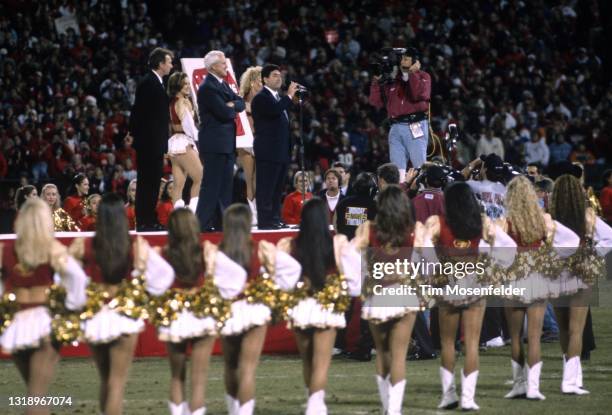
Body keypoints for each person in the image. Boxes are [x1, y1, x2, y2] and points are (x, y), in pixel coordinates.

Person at [69, 193, 174, 415]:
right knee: (116, 383)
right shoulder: (135, 246)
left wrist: (81, 299)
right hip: (124, 316)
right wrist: (141, 287)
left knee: (106, 380)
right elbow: (165, 275)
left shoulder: (84, 244)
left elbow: (67, 278)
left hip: (95, 317)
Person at [423, 182, 517, 411]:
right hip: (475, 285)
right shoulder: (483, 223)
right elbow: (510, 248)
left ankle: (448, 395)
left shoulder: (437, 223)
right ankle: (468, 398)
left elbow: (423, 251)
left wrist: (436, 273)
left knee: (447, 343)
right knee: (472, 344)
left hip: (448, 288)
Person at [153, 208, 246, 415]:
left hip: (174, 316)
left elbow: (149, 282)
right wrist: (219, 292)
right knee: (199, 380)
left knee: (177, 376)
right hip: (202, 316)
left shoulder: (163, 252)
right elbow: (237, 276)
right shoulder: (206, 250)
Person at [0, 198, 87, 412]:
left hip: (17, 326)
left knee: (34, 393)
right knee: (36, 396)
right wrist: (72, 305)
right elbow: (77, 278)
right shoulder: (51, 248)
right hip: (44, 325)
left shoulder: (5, 248)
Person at [214, 204, 301, 415]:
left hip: (228, 313)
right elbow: (293, 269)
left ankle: (234, 410)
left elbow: (213, 283)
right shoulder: (260, 248)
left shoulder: (218, 252)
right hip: (254, 311)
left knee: (230, 366)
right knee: (248, 370)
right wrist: (273, 286)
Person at [344, 186, 425, 414]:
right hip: (404, 294)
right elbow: (431, 261)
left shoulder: (368, 229)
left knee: (382, 353)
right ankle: (394, 410)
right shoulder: (413, 230)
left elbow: (348, 255)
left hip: (377, 296)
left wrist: (363, 278)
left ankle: (386, 406)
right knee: (399, 355)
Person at [500, 176, 579, 401]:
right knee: (534, 337)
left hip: (515, 279)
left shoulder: (506, 221)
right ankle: (533, 388)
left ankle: (519, 386)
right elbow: (571, 241)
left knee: (516, 337)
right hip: (537, 279)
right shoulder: (542, 220)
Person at [278, 198, 361, 414]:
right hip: (327, 307)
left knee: (308, 361)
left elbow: (282, 281)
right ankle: (316, 407)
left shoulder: (291, 244)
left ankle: (312, 403)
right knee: (321, 363)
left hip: (300, 308)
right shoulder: (338, 242)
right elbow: (355, 283)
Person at [550, 174, 612, 395]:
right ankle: (572, 380)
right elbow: (609, 237)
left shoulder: (549, 217)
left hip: (555, 277)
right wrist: (593, 255)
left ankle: (571, 377)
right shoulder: (587, 216)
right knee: (577, 330)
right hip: (581, 275)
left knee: (564, 329)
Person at [195, 50, 245, 232]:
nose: (226, 66)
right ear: (214, 66)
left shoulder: (222, 84)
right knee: (211, 185)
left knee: (225, 187)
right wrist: (231, 106)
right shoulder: (207, 87)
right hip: (215, 144)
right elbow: (225, 113)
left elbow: (240, 102)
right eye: (223, 63)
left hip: (226, 144)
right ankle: (201, 224)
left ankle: (220, 223)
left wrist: (231, 105)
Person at [129, 47, 173, 231]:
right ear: (161, 63)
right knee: (148, 182)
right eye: (169, 61)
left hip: (153, 143)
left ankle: (149, 219)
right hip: (149, 144)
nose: (171, 65)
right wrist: (140, 138)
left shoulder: (157, 82)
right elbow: (139, 113)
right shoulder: (149, 82)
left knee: (153, 182)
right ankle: (145, 221)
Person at [368, 48, 432, 177]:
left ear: (415, 62)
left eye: (406, 59)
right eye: (402, 58)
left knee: (419, 167)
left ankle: (422, 194)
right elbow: (375, 102)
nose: (402, 61)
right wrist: (376, 81)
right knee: (397, 172)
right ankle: (399, 194)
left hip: (415, 125)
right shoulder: (392, 81)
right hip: (395, 127)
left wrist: (413, 72)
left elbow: (417, 94)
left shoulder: (423, 76)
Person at [252, 64, 298, 230]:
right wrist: (289, 96)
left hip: (281, 151)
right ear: (265, 79)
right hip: (268, 151)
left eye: (280, 75)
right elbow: (274, 111)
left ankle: (275, 218)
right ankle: (265, 221)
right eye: (275, 75)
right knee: (266, 187)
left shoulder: (278, 98)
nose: (279, 78)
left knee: (278, 188)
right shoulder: (261, 98)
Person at [167, 71, 202, 213]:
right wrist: (201, 136)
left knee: (178, 184)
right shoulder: (183, 101)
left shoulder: (173, 101)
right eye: (185, 84)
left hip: (174, 143)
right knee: (200, 178)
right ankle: (193, 214)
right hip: (184, 142)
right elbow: (189, 127)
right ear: (177, 85)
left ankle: (178, 216)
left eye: (188, 83)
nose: (188, 86)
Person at [238, 66, 263, 219]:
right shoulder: (241, 97)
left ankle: (259, 210)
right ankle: (253, 213)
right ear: (253, 82)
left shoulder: (264, 98)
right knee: (249, 177)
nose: (263, 84)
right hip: (246, 140)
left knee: (258, 178)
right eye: (261, 81)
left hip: (260, 139)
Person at [462, 154, 507, 219]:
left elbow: (457, 178)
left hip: (484, 227)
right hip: (501, 227)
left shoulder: (475, 186)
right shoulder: (504, 189)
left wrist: (475, 162)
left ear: (485, 169)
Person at [334, 172, 378, 239]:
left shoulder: (342, 203)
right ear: (372, 190)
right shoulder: (376, 206)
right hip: (368, 247)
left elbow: (336, 227)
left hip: (346, 245)